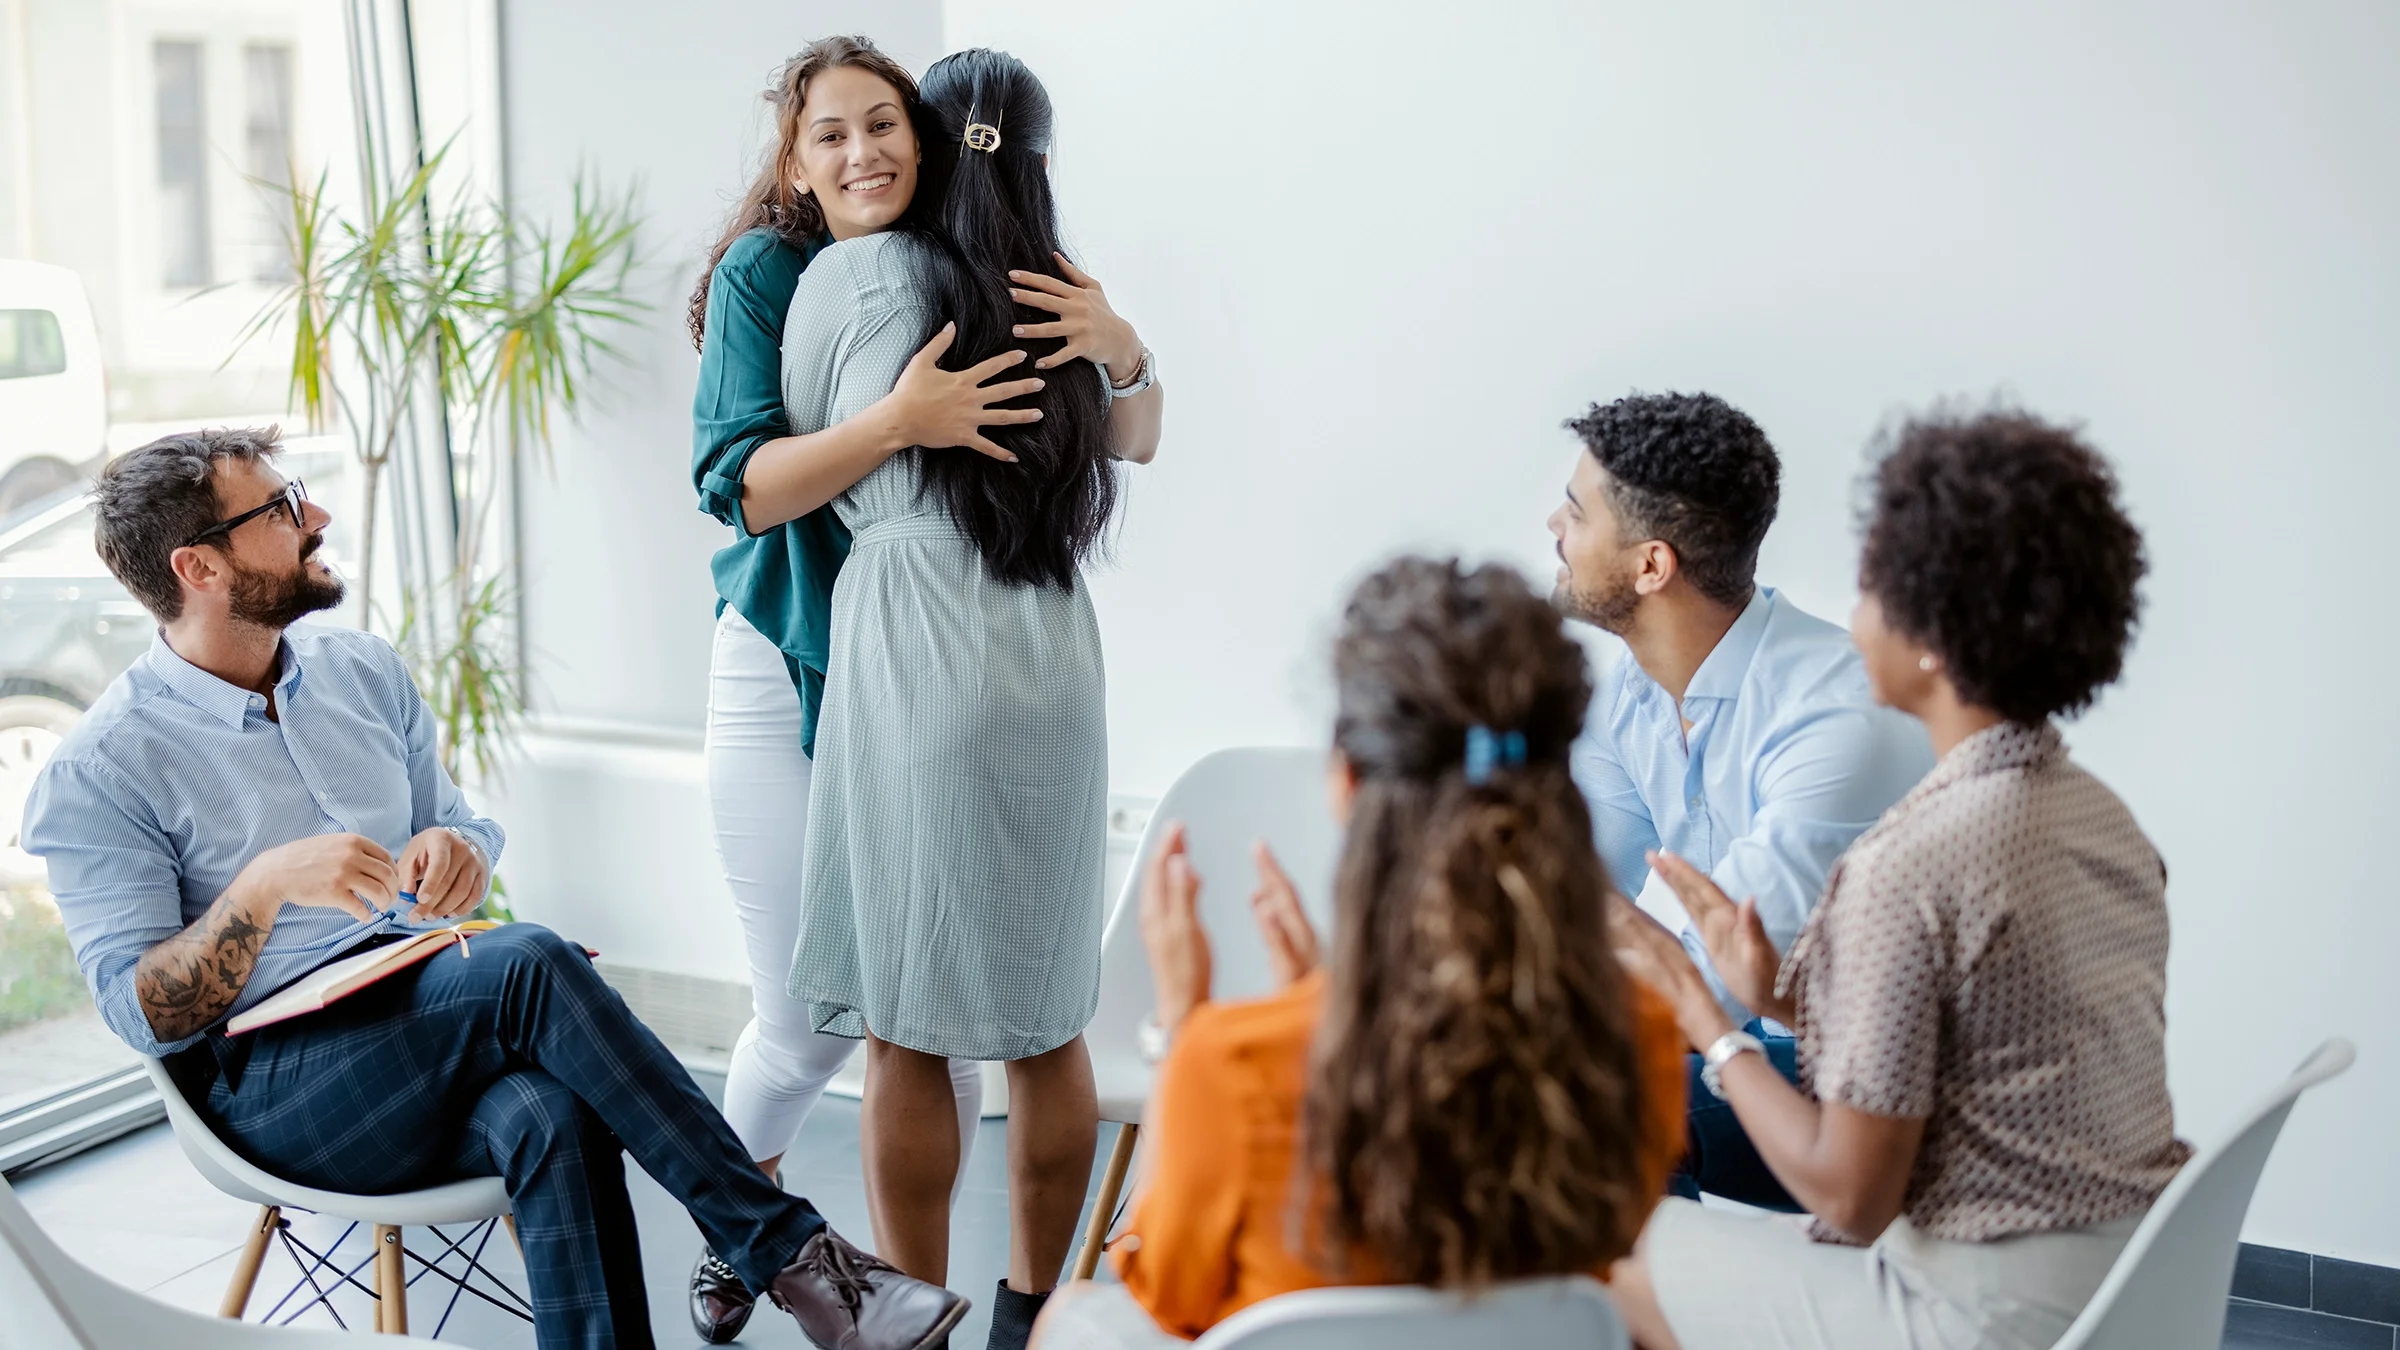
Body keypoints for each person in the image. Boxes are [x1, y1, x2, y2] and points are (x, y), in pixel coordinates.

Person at [24, 427, 968, 1350]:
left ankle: (794, 1283)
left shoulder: (362, 673)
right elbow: (143, 1013)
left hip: (422, 1010)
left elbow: (460, 823)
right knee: (527, 963)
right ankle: (802, 1264)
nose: (315, 513)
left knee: (547, 1110)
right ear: (199, 569)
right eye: (277, 508)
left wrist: (461, 849)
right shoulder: (106, 768)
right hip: (272, 1089)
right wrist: (264, 888)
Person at [726, 45, 1162, 1349]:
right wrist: (1129, 347)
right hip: (1051, 655)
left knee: (908, 1024)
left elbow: (776, 463)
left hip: (915, 647)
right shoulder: (1062, 293)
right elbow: (1132, 436)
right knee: (1046, 1016)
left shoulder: (856, 278)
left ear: (925, 137)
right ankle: (1029, 1314)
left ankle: (912, 1317)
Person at [1604, 406, 2191, 1350]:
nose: (1851, 618)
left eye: (1870, 589)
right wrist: (1779, 996)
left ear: (1931, 635)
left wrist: (1711, 1022)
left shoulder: (1907, 866)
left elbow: (1853, 1195)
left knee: (1615, 1260)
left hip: (1968, 1311)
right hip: (2124, 1283)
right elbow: (1982, 1037)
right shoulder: (2099, 816)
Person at [1034, 557, 1687, 1349]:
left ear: (1344, 781)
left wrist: (1183, 1032)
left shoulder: (1235, 1063)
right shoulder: (1640, 1033)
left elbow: (1169, 1297)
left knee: (1073, 1314)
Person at [686, 35, 1012, 1342]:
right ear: (796, 157)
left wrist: (1125, 352)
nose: (863, 150)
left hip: (917, 683)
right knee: (802, 1019)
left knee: (911, 1016)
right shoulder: (767, 270)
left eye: (885, 124)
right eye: (832, 132)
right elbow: (739, 484)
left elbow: (1119, 435)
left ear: (921, 141)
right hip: (781, 665)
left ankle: (861, 1280)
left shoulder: (953, 266)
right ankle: (736, 1216)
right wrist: (896, 423)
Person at [1546, 391, 1931, 1209]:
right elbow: (1574, 896)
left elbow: (1707, 982)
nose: (1554, 526)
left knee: (1604, 1103)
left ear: (1652, 565)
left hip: (1903, 1104)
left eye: (1576, 514)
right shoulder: (1634, 695)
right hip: (1779, 1038)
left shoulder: (1834, 719)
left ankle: (1657, 1323)